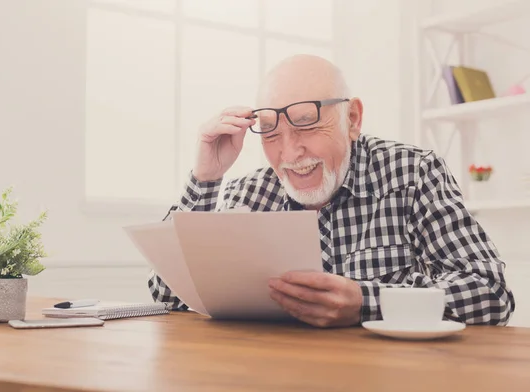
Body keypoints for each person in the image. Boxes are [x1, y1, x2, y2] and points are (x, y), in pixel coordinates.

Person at [148, 54, 515, 327]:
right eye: (271, 132)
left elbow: (491, 291)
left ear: (352, 119)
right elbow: (167, 296)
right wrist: (206, 178)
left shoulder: (413, 173)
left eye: (306, 125)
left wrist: (368, 302)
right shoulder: (249, 194)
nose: (290, 154)